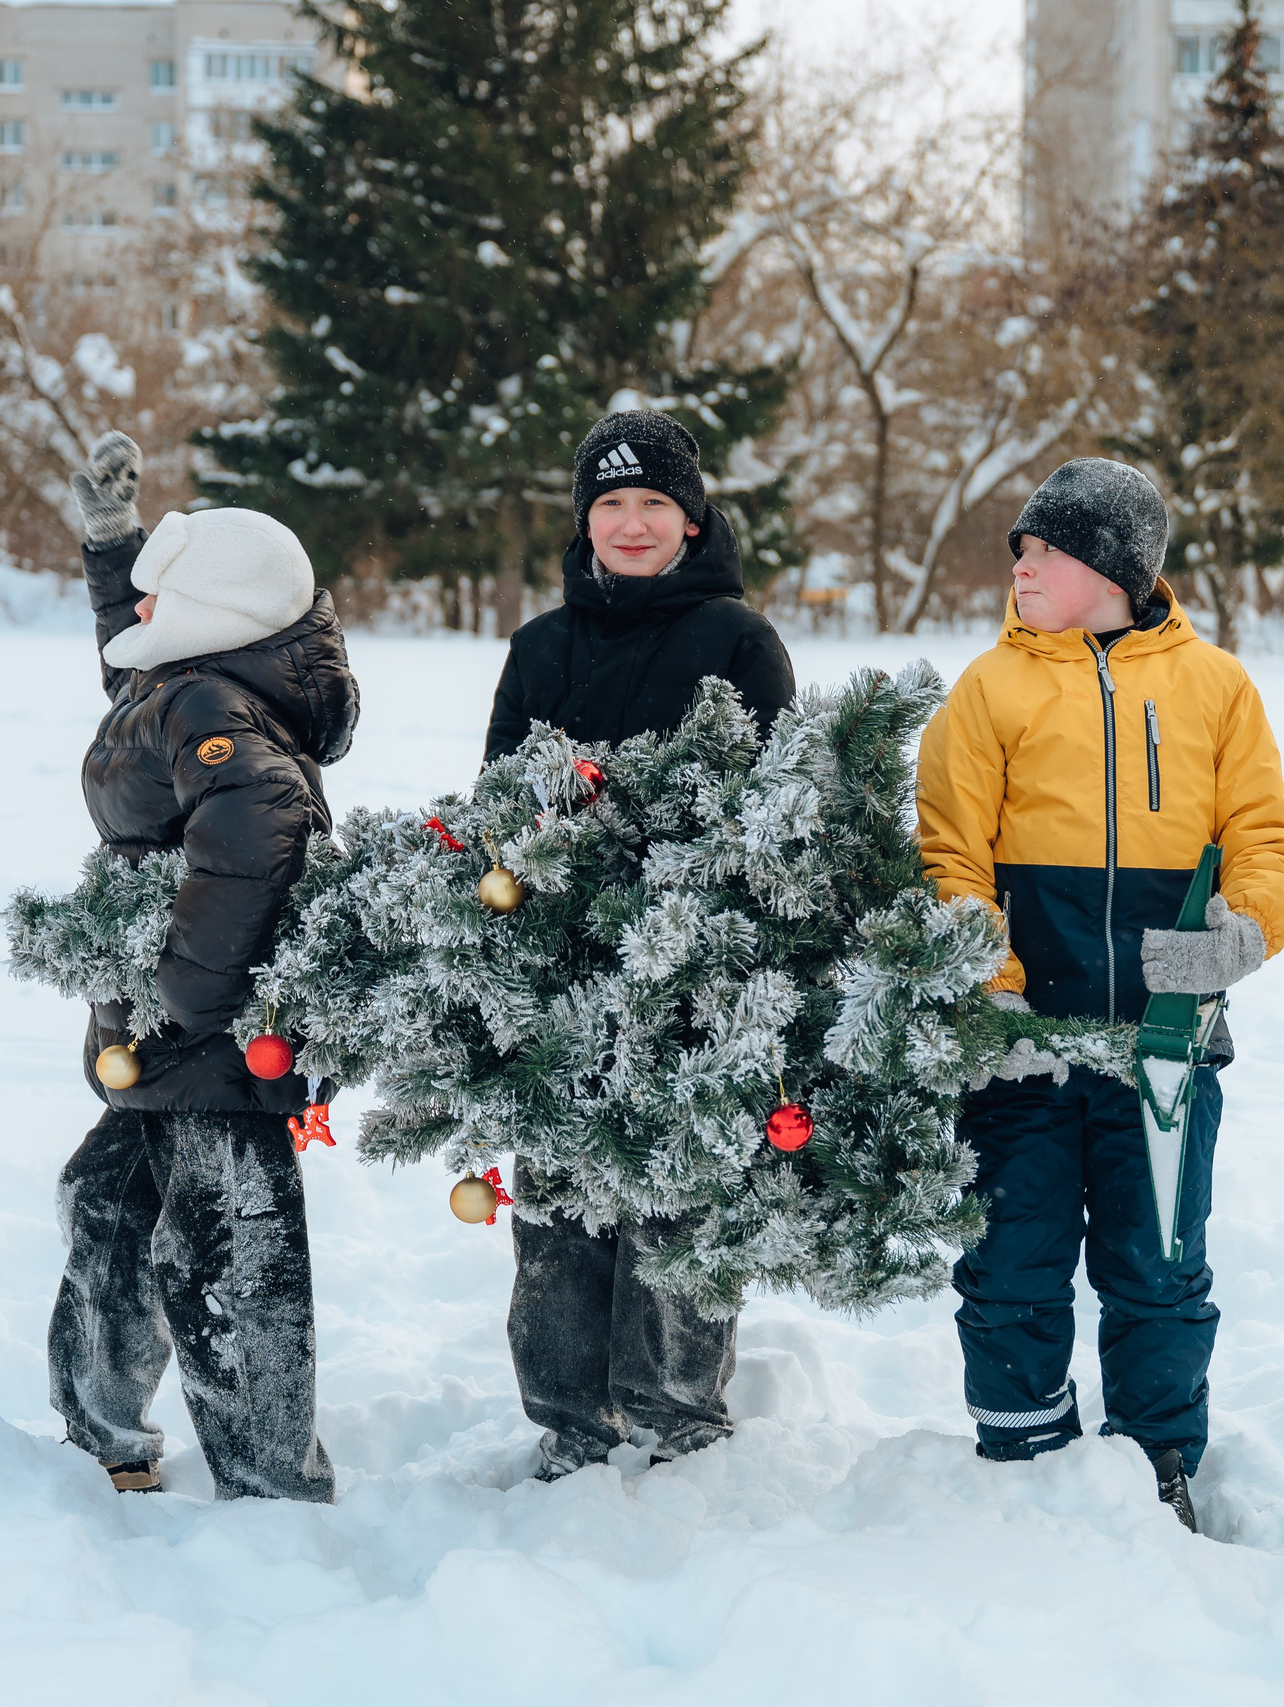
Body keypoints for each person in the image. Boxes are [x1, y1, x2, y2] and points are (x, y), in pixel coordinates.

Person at [916, 457, 1284, 1532]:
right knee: (1011, 1265)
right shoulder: (989, 689)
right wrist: (992, 997)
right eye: (1022, 549)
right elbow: (951, 855)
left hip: (1167, 1047)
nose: (1023, 566)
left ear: (1114, 567)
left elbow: (1264, 838)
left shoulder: (1215, 687)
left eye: (1046, 548)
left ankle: (1156, 1467)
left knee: (1160, 1271)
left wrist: (1231, 941)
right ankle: (1023, 1450)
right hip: (1019, 1047)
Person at [484, 409, 797, 1481]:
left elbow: (772, 820)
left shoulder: (739, 644)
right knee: (559, 1214)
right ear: (583, 521)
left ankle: (676, 1421)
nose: (629, 522)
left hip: (688, 990)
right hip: (559, 982)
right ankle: (568, 1424)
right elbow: (498, 811)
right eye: (609, 503)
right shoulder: (540, 647)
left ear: (692, 518)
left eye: (652, 503)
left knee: (675, 1204)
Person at [51, 431, 358, 1501]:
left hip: (210, 1040)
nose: (137, 607)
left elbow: (257, 836)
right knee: (109, 1216)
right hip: (164, 1041)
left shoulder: (211, 708)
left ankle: (272, 1486)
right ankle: (104, 1429)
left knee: (232, 1265)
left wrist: (181, 997)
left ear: (210, 616)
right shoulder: (187, 680)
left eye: (157, 589)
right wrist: (109, 547)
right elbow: (129, 655)